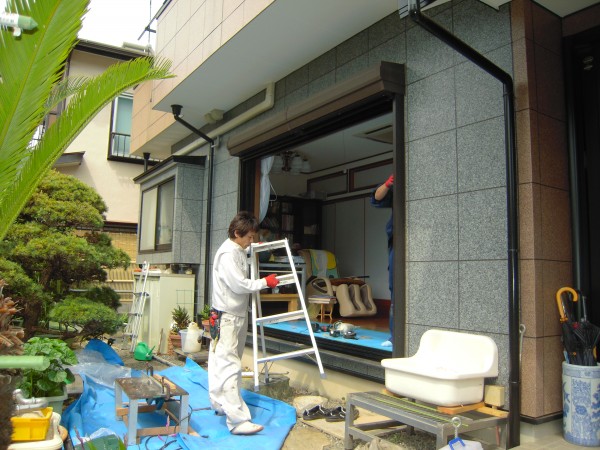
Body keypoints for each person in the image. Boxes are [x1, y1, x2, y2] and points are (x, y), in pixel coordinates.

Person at [208, 211, 280, 435]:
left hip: (232, 314)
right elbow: (239, 285)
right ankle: (237, 421)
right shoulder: (227, 254)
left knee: (222, 362)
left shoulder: (237, 249)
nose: (252, 240)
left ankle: (219, 404)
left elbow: (246, 254)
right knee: (229, 365)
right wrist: (264, 282)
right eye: (249, 237)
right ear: (237, 233)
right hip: (227, 316)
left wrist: (259, 246)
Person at [370, 174, 394, 347]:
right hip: (397, 242)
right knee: (396, 289)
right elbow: (377, 198)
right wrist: (387, 184)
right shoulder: (397, 186)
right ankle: (395, 336)